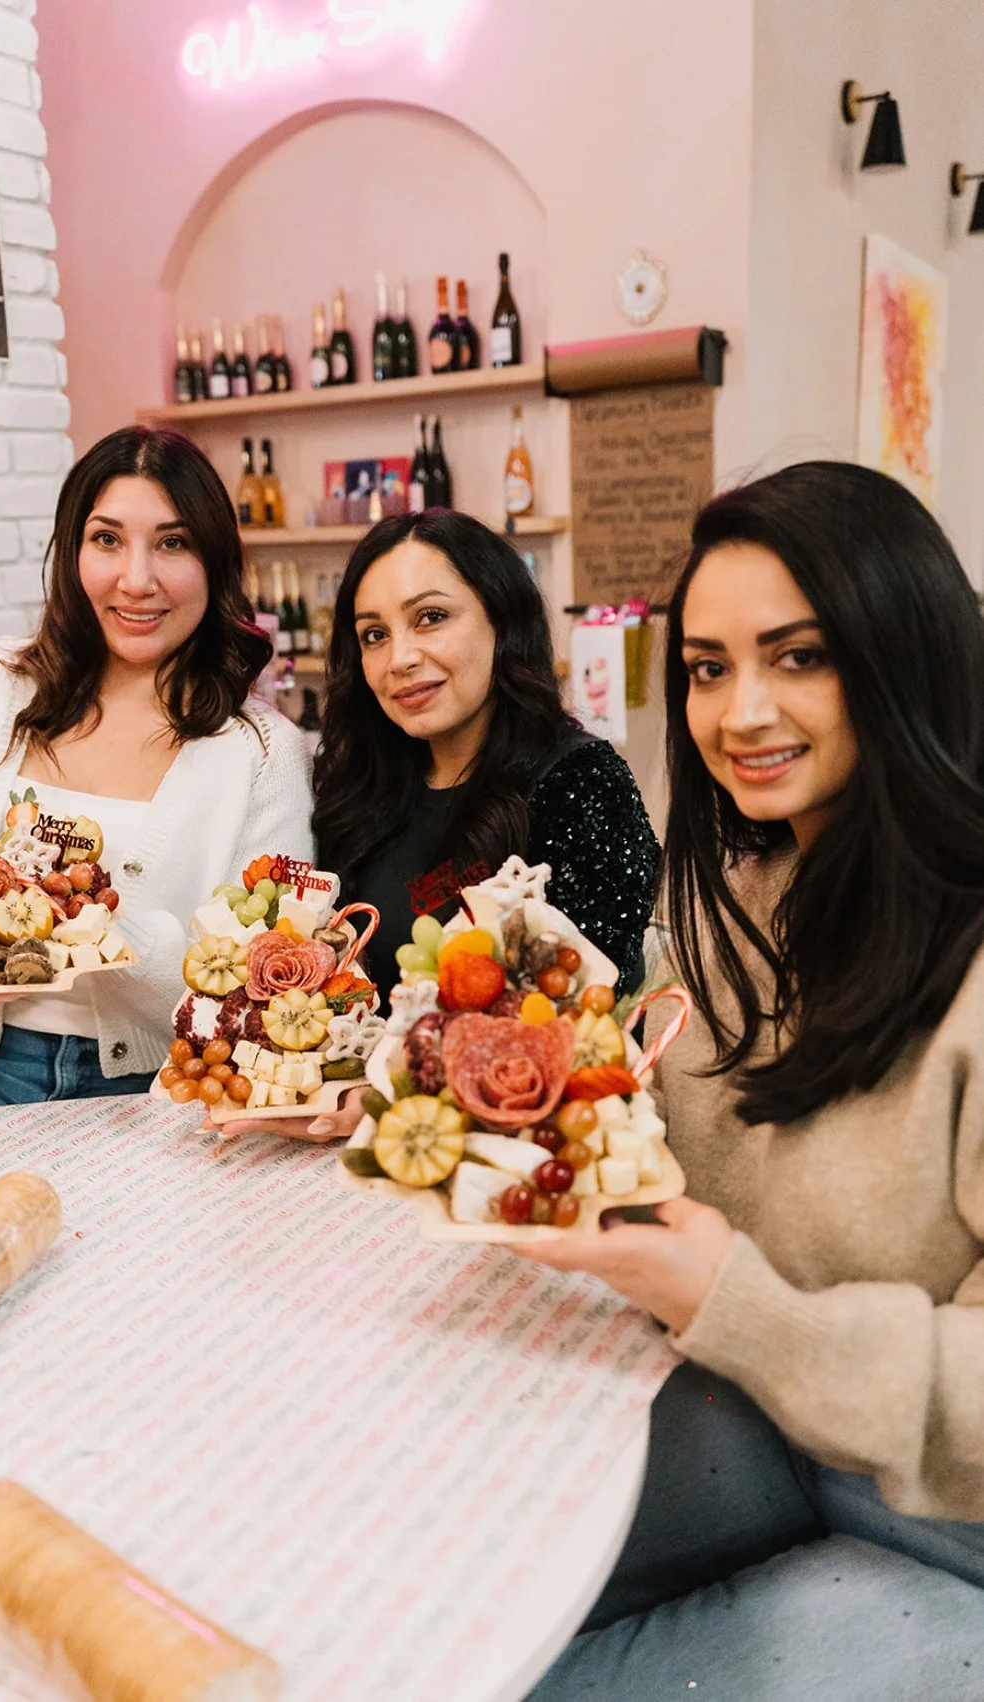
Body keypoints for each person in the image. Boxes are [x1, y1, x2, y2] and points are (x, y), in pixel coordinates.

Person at [514, 462, 984, 1701]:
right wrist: (477, 1099)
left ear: (904, 649)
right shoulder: (734, 901)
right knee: (440, 1598)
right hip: (765, 1421)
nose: (741, 712)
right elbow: (645, 1117)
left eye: (800, 656)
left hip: (953, 1532)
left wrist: (737, 1300)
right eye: (711, 667)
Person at [0, 427, 312, 1115]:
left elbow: (258, 988)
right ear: (72, 550)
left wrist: (112, 931)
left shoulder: (263, 754)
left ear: (215, 562)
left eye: (173, 543)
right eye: (107, 539)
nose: (136, 580)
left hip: (159, 1082)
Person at [216, 508, 658, 1144]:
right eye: (374, 635)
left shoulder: (580, 780)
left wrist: (388, 1093)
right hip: (363, 1147)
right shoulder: (356, 792)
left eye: (430, 618)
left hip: (525, 1155)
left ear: (501, 620)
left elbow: (583, 1010)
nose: (400, 658)